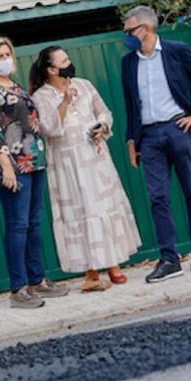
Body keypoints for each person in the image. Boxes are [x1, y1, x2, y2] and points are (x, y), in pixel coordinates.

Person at [120, 5, 191, 283]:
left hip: (178, 129)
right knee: (158, 197)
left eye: (130, 30)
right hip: (149, 138)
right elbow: (130, 105)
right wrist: (131, 140)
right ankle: (169, 260)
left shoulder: (177, 50)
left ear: (146, 29)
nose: (126, 35)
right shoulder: (128, 63)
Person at [30, 46, 142, 292]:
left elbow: (104, 112)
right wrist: (65, 102)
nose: (69, 63)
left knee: (104, 206)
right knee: (79, 212)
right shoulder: (41, 97)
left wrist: (102, 126)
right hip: (68, 164)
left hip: (96, 156)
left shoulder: (85, 84)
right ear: (51, 69)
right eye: (64, 60)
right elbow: (49, 129)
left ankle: (113, 264)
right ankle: (90, 271)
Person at [0, 36, 68, 309]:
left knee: (33, 223)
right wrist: (5, 167)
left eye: (7, 54)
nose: (6, 59)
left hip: (33, 161)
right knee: (17, 225)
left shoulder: (14, 86)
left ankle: (37, 280)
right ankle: (18, 289)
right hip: (12, 165)